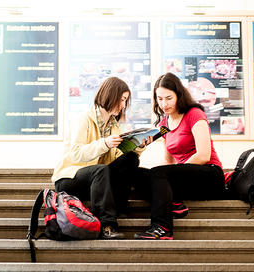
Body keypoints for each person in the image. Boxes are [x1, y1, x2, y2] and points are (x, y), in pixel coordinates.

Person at [52, 77, 148, 239]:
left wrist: (139, 146)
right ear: (111, 96)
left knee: (130, 159)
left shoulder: (113, 125)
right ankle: (106, 225)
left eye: (125, 101)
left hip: (97, 180)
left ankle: (119, 207)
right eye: (122, 100)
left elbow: (116, 158)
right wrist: (104, 143)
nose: (124, 105)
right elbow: (76, 153)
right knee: (100, 170)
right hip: (69, 178)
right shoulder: (84, 119)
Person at [134, 72, 225, 240]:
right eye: (159, 99)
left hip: (210, 174)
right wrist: (156, 176)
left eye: (168, 98)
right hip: (184, 179)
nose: (164, 104)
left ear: (179, 95)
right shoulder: (164, 124)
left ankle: (162, 227)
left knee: (158, 174)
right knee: (137, 174)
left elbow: (203, 154)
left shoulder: (194, 114)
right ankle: (173, 202)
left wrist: (167, 175)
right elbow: (167, 161)